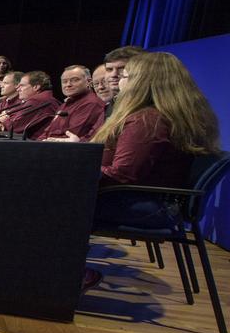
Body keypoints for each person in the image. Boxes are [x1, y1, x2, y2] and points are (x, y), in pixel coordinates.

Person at [84, 52, 219, 288]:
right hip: (159, 203)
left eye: (125, 76)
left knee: (49, 201)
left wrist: (72, 173)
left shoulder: (147, 120)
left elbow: (122, 175)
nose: (117, 81)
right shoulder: (169, 115)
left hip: (146, 205)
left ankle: (69, 273)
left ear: (141, 82)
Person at [39, 65, 106, 142]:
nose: (68, 85)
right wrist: (38, 143)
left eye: (74, 80)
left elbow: (72, 136)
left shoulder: (91, 103)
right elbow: (47, 132)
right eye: (64, 81)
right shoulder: (65, 104)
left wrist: (43, 142)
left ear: (89, 82)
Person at [0, 71, 59, 138]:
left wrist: (4, 121)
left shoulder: (37, 101)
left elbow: (14, 127)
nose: (18, 89)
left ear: (36, 87)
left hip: (37, 144)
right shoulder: (43, 98)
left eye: (22, 85)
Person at [102, 46, 147, 118]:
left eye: (122, 68)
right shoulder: (111, 103)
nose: (114, 75)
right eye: (109, 69)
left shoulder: (145, 108)